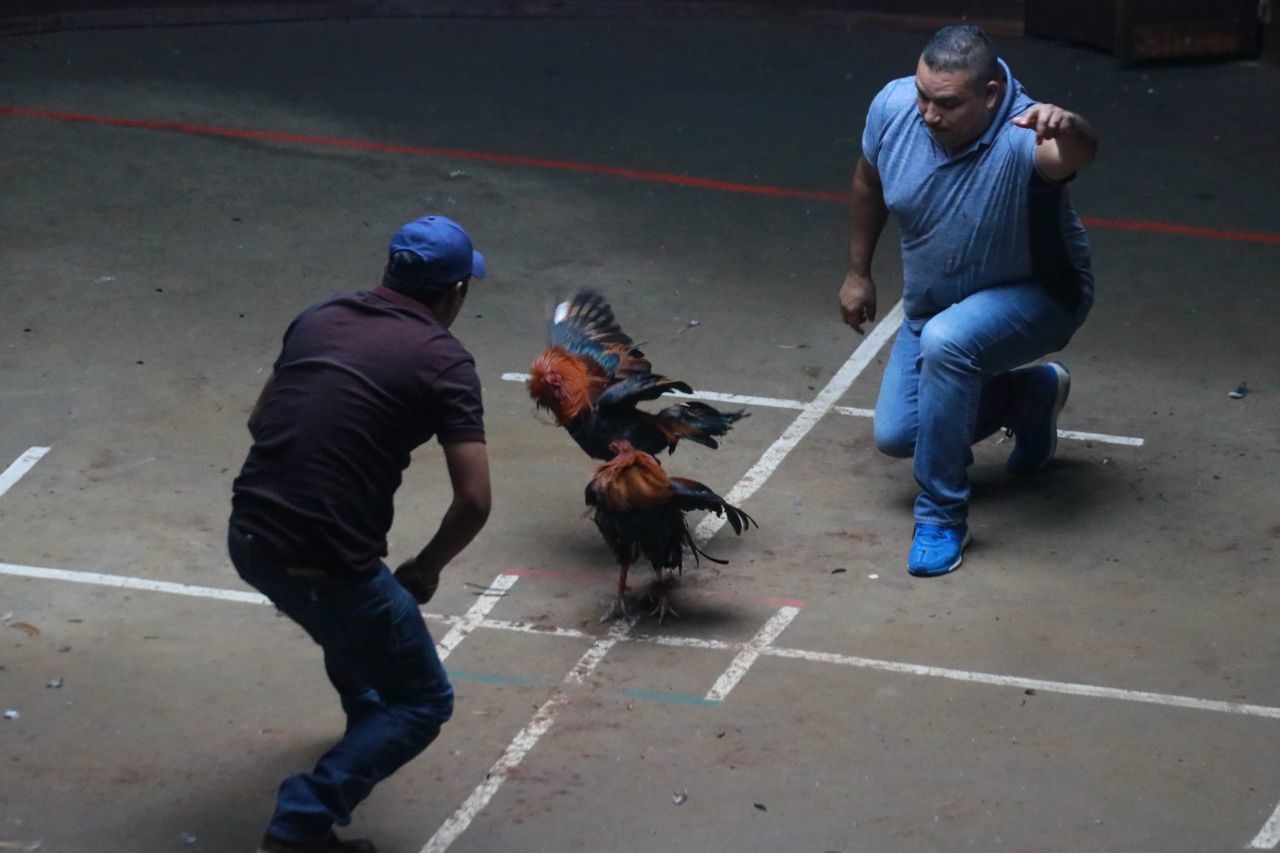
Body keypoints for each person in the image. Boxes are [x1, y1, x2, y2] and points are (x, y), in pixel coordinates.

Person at [227, 215, 492, 852]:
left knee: (353, 625)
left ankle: (365, 719)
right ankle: (302, 820)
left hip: (249, 536)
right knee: (423, 699)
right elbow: (474, 501)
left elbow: (262, 419)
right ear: (456, 293)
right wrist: (426, 568)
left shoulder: (318, 317)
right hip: (330, 564)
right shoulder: (445, 361)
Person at [838, 24, 1097, 577]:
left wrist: (1070, 126)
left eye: (947, 103)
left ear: (990, 96)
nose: (928, 113)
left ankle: (941, 516)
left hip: (1040, 298)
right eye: (923, 94)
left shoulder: (1025, 135)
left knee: (948, 343)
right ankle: (1030, 395)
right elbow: (867, 181)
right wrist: (857, 272)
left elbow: (1074, 153)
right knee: (897, 434)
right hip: (935, 303)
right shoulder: (894, 105)